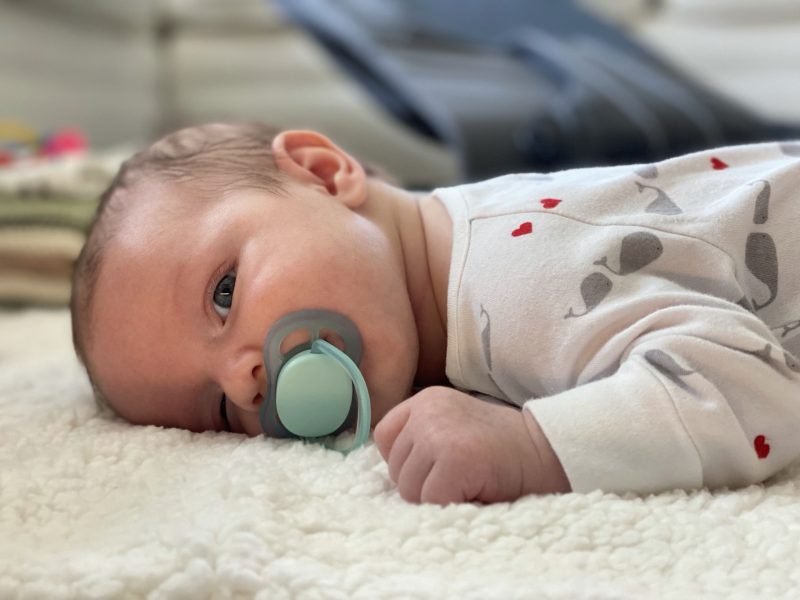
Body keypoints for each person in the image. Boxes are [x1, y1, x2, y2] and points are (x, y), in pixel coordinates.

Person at [70, 122, 800, 505]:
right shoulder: (461, 254)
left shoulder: (513, 282)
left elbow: (753, 389)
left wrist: (532, 447)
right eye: (216, 411)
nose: (245, 383)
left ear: (324, 174)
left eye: (225, 292)